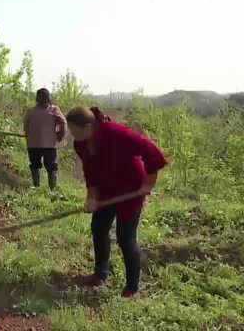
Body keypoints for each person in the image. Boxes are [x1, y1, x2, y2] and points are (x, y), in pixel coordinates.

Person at [66, 106, 168, 298]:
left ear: (89, 126)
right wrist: (91, 197)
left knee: (125, 237)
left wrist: (148, 184)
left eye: (74, 130)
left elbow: (151, 151)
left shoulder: (116, 133)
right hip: (107, 189)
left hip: (131, 189)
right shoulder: (80, 143)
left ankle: (132, 287)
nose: (72, 135)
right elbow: (90, 172)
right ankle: (100, 273)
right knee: (98, 227)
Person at [23, 88, 67, 190]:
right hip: (42, 144)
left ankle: (44, 188)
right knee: (43, 166)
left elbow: (25, 127)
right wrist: (60, 135)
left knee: (42, 166)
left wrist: (60, 135)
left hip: (40, 144)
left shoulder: (50, 110)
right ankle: (44, 188)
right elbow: (63, 123)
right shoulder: (50, 110)